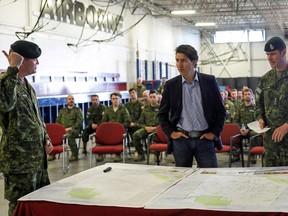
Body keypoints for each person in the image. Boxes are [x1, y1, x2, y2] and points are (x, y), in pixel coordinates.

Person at [0, 40, 52, 216]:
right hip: (19, 162)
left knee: (39, 202)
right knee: (20, 205)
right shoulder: (5, 82)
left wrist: (46, 138)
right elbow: (6, 105)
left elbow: (37, 118)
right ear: (21, 60)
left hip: (37, 158)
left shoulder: (27, 85)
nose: (38, 63)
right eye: (35, 59)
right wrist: (12, 70)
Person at [158, 44, 226, 168]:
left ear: (194, 62)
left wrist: (214, 133)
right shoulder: (171, 85)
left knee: (211, 178)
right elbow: (162, 114)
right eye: (177, 60)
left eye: (183, 60)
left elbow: (221, 111)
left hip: (205, 139)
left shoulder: (209, 81)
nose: (179, 65)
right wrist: (171, 133)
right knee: (183, 181)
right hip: (181, 140)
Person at [254, 36, 288, 167]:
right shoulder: (265, 79)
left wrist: (286, 126)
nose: (269, 58)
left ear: (283, 52)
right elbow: (258, 105)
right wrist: (260, 118)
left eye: (273, 54)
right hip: (270, 145)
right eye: (267, 54)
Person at [100, 92, 131, 162]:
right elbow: (103, 121)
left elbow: (127, 122)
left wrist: (119, 127)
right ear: (111, 100)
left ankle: (118, 154)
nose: (115, 100)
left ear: (120, 99)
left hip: (119, 130)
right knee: (100, 134)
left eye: (116, 98)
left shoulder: (123, 109)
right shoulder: (108, 109)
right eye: (113, 99)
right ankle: (100, 154)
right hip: (109, 130)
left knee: (119, 134)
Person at [233, 88, 260, 163]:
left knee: (255, 134)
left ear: (252, 96)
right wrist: (240, 129)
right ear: (243, 96)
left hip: (251, 130)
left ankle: (253, 155)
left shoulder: (255, 107)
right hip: (241, 130)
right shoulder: (240, 107)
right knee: (233, 134)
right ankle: (236, 154)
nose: (247, 96)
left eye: (249, 94)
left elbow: (257, 121)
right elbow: (236, 120)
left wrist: (248, 129)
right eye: (245, 94)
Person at [54, 95, 83, 162]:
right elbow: (57, 121)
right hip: (62, 130)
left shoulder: (77, 110)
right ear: (66, 101)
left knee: (69, 135)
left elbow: (80, 121)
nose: (71, 100)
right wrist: (60, 129)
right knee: (53, 134)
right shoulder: (62, 110)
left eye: (72, 99)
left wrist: (70, 128)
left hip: (74, 130)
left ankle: (74, 155)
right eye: (69, 99)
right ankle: (53, 153)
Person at [132, 90, 159, 161]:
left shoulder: (161, 108)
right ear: (149, 98)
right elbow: (140, 122)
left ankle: (157, 155)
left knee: (157, 138)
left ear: (157, 98)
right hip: (147, 128)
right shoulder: (146, 108)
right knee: (136, 135)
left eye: (154, 97)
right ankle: (141, 154)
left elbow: (164, 122)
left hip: (157, 129)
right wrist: (145, 127)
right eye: (151, 97)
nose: (152, 99)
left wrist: (156, 128)